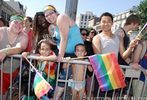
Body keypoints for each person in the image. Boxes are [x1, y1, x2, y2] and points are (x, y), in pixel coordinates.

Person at [43, 5, 84, 99]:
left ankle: (55, 98)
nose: (49, 16)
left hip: (76, 54)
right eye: (46, 15)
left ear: (56, 12)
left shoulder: (61, 18)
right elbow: (58, 41)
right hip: (65, 54)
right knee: (61, 80)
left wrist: (60, 57)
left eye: (51, 13)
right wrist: (50, 41)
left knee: (69, 81)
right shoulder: (52, 27)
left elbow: (64, 39)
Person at [0, 15, 28, 96]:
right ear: (9, 23)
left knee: (3, 93)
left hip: (10, 71)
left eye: (21, 24)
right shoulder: (2, 31)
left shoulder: (23, 35)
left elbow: (20, 47)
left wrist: (5, 51)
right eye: (15, 22)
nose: (18, 25)